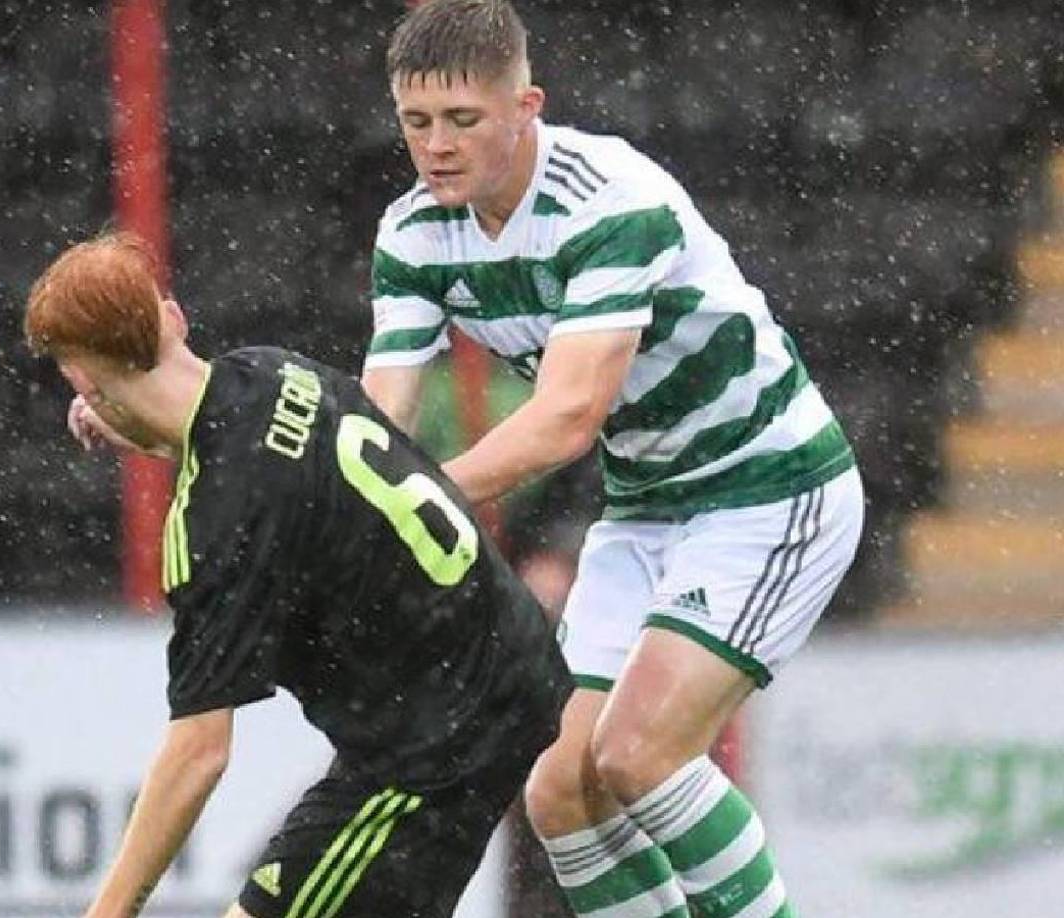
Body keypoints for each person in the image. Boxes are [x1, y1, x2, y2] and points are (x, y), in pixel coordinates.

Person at [361, 2, 865, 916]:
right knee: (559, 788)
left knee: (637, 755)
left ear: (527, 107)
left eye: (463, 120)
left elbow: (565, 419)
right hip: (645, 505)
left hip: (770, 486)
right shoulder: (412, 233)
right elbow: (374, 425)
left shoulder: (607, 199)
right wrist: (165, 414)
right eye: (416, 122)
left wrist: (406, 504)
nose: (436, 146)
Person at [24, 231, 573, 918]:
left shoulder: (210, 530)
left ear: (85, 381)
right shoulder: (271, 371)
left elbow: (197, 755)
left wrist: (105, 912)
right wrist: (125, 413)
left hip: (432, 747)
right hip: (503, 658)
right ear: (174, 318)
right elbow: (234, 457)